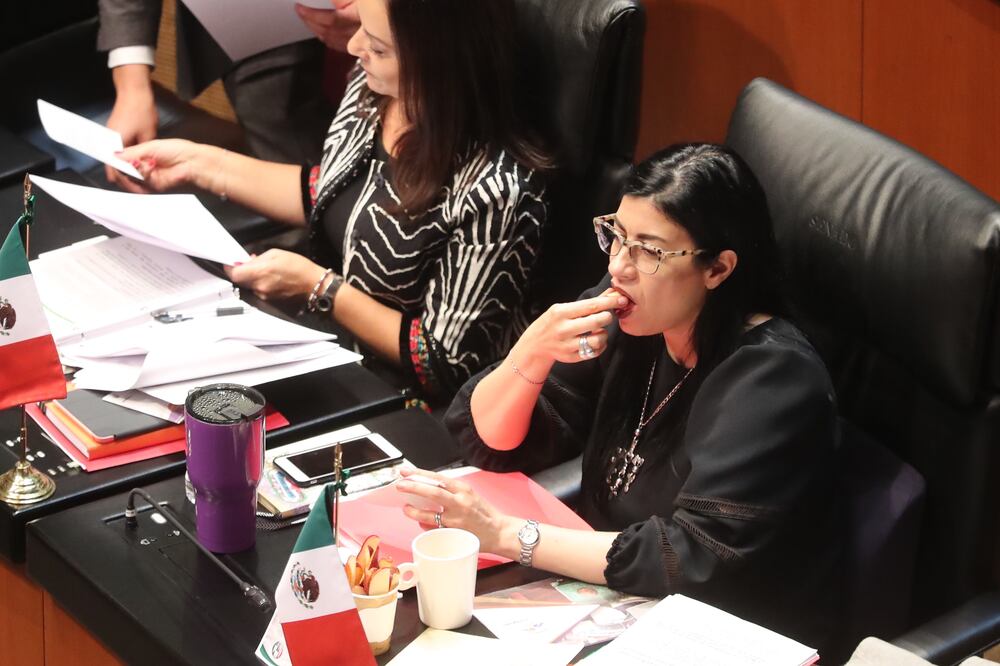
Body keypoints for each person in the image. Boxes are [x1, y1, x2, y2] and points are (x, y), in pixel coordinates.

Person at [397, 144, 843, 649]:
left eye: (650, 251)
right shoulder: (638, 317)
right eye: (617, 237)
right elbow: (491, 440)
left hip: (715, 634)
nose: (619, 268)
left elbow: (686, 557)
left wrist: (506, 535)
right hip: (604, 600)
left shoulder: (772, 377)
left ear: (717, 269)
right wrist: (534, 348)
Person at [117, 0, 549, 403]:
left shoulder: (498, 187)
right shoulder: (372, 86)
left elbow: (441, 362)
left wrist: (319, 287)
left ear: (439, 62)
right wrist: (201, 163)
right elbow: (334, 192)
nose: (354, 45)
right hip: (330, 351)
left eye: (378, 46)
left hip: (405, 402)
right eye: (360, 24)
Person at [97, 0, 360, 180]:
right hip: (258, 21)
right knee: (284, 144)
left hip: (385, 20)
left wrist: (382, 12)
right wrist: (132, 89)